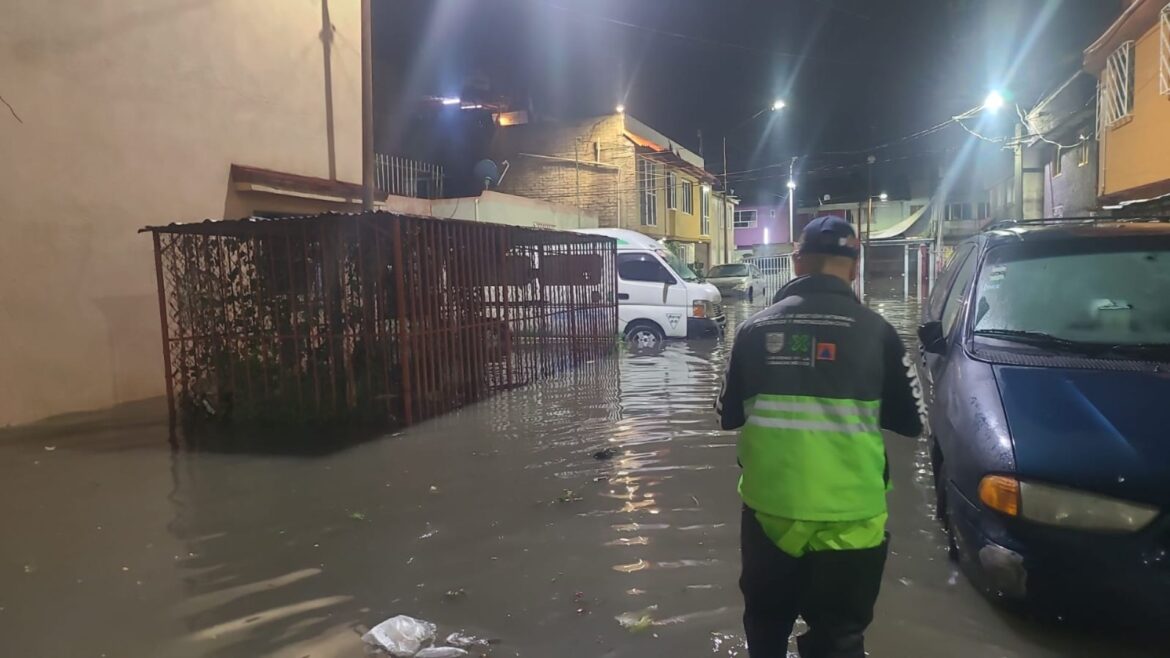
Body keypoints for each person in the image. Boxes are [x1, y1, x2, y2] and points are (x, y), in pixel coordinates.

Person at [716, 215, 925, 658]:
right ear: (855, 264)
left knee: (766, 628)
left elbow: (726, 415)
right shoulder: (880, 333)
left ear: (796, 262)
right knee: (840, 639)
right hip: (852, 521)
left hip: (771, 516)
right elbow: (913, 422)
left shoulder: (752, 332)